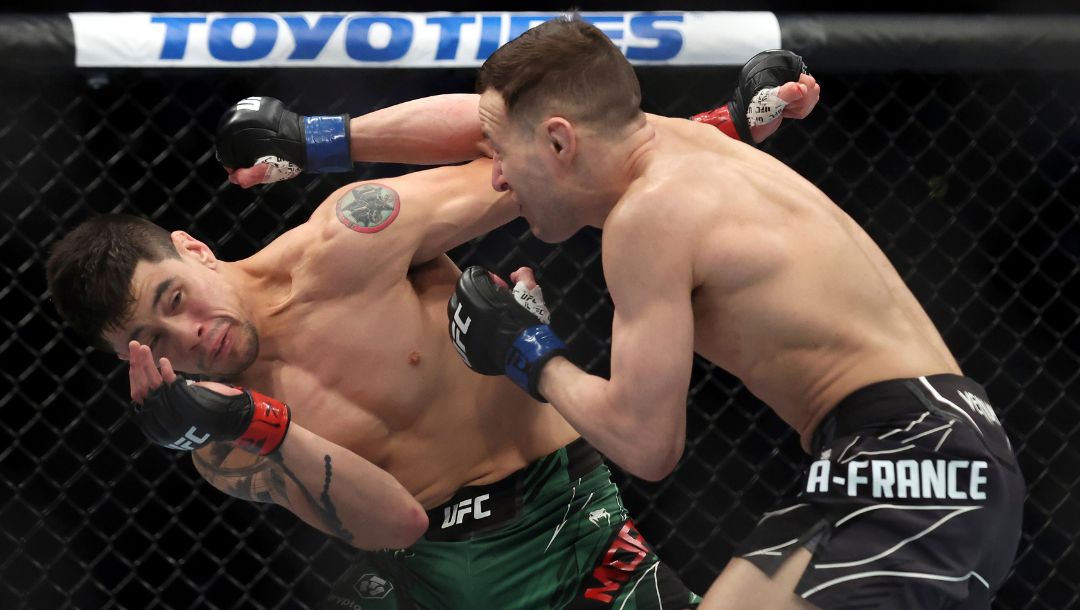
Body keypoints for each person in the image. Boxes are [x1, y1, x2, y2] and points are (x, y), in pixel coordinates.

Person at [45, 56, 812, 608]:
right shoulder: (213, 430)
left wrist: (715, 130)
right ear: (131, 360)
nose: (190, 336)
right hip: (420, 576)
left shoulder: (343, 245)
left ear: (195, 248)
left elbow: (507, 145)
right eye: (156, 339)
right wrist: (257, 425)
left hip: (564, 523)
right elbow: (393, 521)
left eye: (175, 297)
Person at [430, 15, 1024, 610]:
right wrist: (337, 139)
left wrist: (526, 349)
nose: (498, 178)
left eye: (501, 153)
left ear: (560, 141)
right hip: (936, 447)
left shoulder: (646, 217)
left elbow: (646, 444)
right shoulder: (689, 145)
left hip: (908, 459)